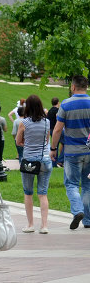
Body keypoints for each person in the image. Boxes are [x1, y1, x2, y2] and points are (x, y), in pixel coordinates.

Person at [50, 75, 90, 229]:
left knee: (71, 184)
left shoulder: (66, 104)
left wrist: (53, 149)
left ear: (73, 87)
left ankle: (78, 210)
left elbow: (58, 129)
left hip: (72, 152)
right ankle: (87, 220)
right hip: (88, 152)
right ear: (85, 87)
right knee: (87, 185)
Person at [16, 94, 52, 234]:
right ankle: (44, 226)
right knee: (43, 194)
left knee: (28, 193)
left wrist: (27, 143)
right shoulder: (46, 122)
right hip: (44, 160)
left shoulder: (24, 123)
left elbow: (18, 142)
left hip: (29, 161)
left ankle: (30, 224)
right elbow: (47, 141)